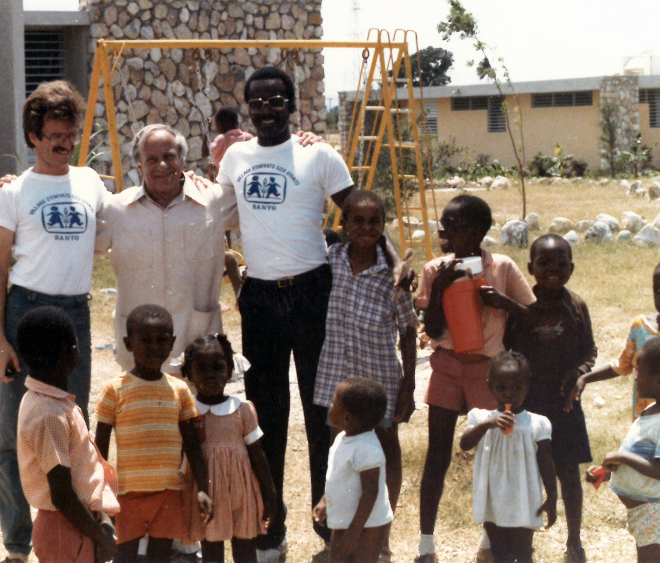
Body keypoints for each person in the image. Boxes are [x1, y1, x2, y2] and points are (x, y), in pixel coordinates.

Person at [214, 64, 371, 555]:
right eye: (256, 101)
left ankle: (331, 528)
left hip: (312, 292)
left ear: (291, 105)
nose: (266, 109)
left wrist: (377, 269)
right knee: (266, 418)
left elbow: (361, 210)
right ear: (247, 108)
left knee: (324, 411)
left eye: (275, 100)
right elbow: (214, 212)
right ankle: (271, 528)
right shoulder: (235, 157)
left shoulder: (318, 154)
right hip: (260, 297)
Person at [0, 80, 108, 562]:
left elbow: (112, 233)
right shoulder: (13, 192)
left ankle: (71, 535)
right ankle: (17, 546)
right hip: (26, 313)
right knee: (16, 432)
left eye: (70, 135)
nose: (63, 144)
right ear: (33, 136)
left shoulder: (91, 183)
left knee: (71, 428)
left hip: (75, 312)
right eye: (53, 135)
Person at [414, 194, 536, 563]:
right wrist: (439, 291)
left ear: (481, 231)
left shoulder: (500, 266)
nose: (454, 235)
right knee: (437, 454)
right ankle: (426, 542)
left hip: (489, 372)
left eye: (463, 228)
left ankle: (489, 539)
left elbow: (530, 316)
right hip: (448, 365)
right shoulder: (435, 269)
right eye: (448, 227)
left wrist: (500, 301)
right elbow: (432, 328)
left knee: (494, 453)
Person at [312, 189, 418, 559]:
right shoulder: (330, 260)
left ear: (383, 227)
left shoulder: (394, 276)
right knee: (340, 449)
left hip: (380, 378)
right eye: (357, 220)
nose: (366, 227)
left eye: (375, 221)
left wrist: (409, 386)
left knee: (386, 448)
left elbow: (408, 330)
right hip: (338, 375)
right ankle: (343, 533)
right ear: (343, 224)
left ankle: (381, 535)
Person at [96, 124, 236, 375]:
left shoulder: (213, 202)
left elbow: (265, 196)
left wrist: (307, 144)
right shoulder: (116, 211)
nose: (162, 165)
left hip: (198, 354)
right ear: (139, 166)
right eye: (152, 159)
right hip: (138, 357)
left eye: (169, 157)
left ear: (182, 159)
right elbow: (70, 235)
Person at [572, 255, 660, 524]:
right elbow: (623, 365)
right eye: (657, 289)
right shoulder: (640, 327)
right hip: (647, 426)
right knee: (649, 498)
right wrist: (586, 378)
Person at [502, 234, 596, 562]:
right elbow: (507, 351)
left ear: (572, 267)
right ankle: (519, 542)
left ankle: (574, 541)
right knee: (524, 473)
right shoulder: (522, 305)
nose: (553, 269)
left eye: (561, 263)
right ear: (531, 267)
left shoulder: (577, 305)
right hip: (528, 405)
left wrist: (579, 376)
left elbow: (589, 349)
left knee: (568, 472)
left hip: (564, 403)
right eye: (544, 263)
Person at [94, 304, 212, 562]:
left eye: (162, 341)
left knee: (161, 555)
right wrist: (100, 493)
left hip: (168, 493)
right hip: (126, 494)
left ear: (173, 343)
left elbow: (192, 445)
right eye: (145, 340)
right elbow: (99, 449)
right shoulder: (114, 391)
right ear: (127, 343)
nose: (154, 347)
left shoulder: (179, 390)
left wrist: (204, 487)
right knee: (124, 554)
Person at [14, 306, 120, 563]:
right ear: (72, 353)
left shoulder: (46, 401)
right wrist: (98, 535)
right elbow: (61, 494)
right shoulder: (49, 415)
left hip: (73, 524)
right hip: (66, 529)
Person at [585, 335, 660, 563]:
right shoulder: (652, 411)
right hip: (645, 512)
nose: (635, 378)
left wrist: (622, 457)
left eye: (640, 373)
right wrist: (608, 472)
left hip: (656, 513)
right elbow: (642, 457)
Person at [181, 333, 276, 563]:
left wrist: (270, 493)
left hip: (240, 490)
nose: (210, 375)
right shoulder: (187, 410)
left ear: (230, 369)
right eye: (201, 369)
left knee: (245, 548)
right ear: (189, 374)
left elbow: (257, 454)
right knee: (211, 550)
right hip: (207, 491)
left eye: (218, 367)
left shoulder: (242, 409)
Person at [459, 351, 558, 563]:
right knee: (499, 552)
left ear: (527, 387)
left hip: (525, 500)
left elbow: (546, 464)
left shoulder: (536, 424)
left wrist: (552, 497)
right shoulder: (481, 418)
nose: (508, 394)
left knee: (523, 553)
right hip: (493, 502)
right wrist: (489, 424)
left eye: (516, 388)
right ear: (489, 386)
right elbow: (465, 444)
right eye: (501, 388)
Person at [313, 377, 393, 563]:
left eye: (333, 403)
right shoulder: (342, 439)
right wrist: (325, 501)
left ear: (347, 417)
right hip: (345, 519)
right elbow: (338, 478)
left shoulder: (367, 448)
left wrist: (354, 532)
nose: (330, 406)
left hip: (368, 524)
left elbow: (370, 492)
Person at [208, 107, 253, 180]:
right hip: (244, 178)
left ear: (219, 125)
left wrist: (207, 132)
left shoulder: (222, 139)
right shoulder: (248, 137)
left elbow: (207, 152)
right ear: (237, 123)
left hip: (224, 180)